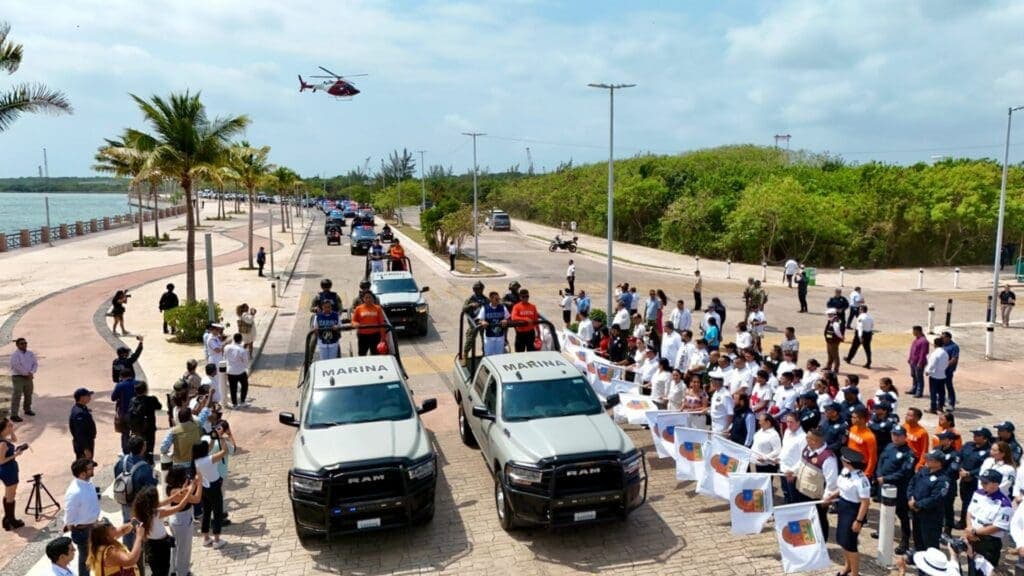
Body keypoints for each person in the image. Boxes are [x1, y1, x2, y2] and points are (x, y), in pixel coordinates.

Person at [823, 448, 871, 576]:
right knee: (841, 539)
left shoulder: (861, 480)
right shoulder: (845, 471)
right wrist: (831, 496)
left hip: (853, 511)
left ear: (848, 463)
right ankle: (847, 566)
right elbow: (842, 488)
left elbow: (865, 502)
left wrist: (859, 521)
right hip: (843, 507)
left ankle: (855, 573)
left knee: (850, 542)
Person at [132, 482, 195, 576]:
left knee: (157, 571)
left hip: (150, 545)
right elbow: (179, 507)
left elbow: (165, 502)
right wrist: (189, 492)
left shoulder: (141, 512)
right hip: (161, 547)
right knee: (164, 570)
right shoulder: (157, 513)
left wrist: (178, 494)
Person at [875, 425, 916, 553]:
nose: (895, 437)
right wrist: (879, 474)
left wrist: (886, 478)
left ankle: (905, 542)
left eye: (898, 435)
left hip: (899, 489)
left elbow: (904, 472)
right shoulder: (889, 446)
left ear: (905, 437)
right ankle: (884, 533)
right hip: (884, 486)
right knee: (885, 511)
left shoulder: (909, 454)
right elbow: (881, 461)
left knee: (902, 515)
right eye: (893, 434)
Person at [965, 469, 1014, 573]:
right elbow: (970, 512)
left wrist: (974, 532)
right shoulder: (978, 493)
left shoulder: (1004, 503)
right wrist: (969, 528)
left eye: (985, 482)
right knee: (972, 569)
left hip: (988, 543)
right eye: (981, 481)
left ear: (996, 484)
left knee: (984, 572)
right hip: (972, 537)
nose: (982, 484)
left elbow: (997, 526)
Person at [114, 436, 157, 551]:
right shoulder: (144, 467)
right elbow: (151, 487)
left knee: (127, 525)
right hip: (138, 505)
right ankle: (138, 553)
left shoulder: (120, 462)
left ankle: (127, 549)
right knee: (139, 528)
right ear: (142, 448)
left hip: (124, 500)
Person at [796, 427, 839, 539]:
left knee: (819, 520)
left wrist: (827, 497)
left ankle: (822, 544)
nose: (806, 440)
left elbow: (832, 481)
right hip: (802, 491)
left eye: (808, 438)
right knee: (805, 518)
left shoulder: (828, 458)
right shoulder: (807, 449)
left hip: (816, 497)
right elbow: (801, 465)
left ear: (815, 441)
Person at [63, 458, 102, 576]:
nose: (93, 470)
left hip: (93, 526)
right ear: (82, 473)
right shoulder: (74, 492)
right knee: (85, 560)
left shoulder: (88, 483)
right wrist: (74, 527)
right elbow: (69, 515)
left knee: (93, 556)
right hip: (83, 531)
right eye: (90, 469)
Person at [909, 450, 950, 553]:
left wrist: (917, 504)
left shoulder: (943, 479)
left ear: (939, 463)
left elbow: (936, 498)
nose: (927, 460)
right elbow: (912, 484)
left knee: (930, 543)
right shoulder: (923, 471)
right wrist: (910, 498)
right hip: (917, 512)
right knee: (918, 539)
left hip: (930, 516)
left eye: (930, 459)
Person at [165, 467, 203, 576]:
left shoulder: (171, 487)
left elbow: (187, 491)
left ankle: (173, 570)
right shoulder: (176, 491)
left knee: (176, 547)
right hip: (182, 521)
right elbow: (196, 499)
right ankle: (182, 573)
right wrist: (199, 483)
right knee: (184, 550)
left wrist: (193, 484)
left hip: (178, 519)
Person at [193, 439, 229, 549]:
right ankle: (217, 540)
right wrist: (222, 439)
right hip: (214, 487)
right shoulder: (210, 459)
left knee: (207, 512)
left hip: (204, 487)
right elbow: (224, 451)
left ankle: (206, 538)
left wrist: (213, 439)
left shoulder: (196, 461)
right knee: (217, 513)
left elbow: (208, 448)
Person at [958, 427, 993, 530]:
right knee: (964, 500)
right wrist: (961, 470)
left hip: (976, 481)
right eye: (974, 434)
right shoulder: (968, 445)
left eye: (978, 435)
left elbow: (985, 467)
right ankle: (963, 521)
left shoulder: (988, 451)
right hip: (964, 478)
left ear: (985, 439)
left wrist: (970, 473)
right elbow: (959, 456)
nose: (974, 436)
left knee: (972, 502)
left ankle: (967, 523)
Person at [1, 417, 27, 531]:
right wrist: (15, 455)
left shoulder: (3, 439)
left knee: (9, 494)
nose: (11, 427)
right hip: (8, 470)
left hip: (8, 469)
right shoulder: (3, 444)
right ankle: (11, 520)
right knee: (11, 495)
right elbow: (1, 461)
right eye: (8, 426)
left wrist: (11, 431)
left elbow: (14, 440)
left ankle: (7, 519)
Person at [127, 381, 162, 465]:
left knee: (139, 445)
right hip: (149, 427)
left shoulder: (132, 400)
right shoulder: (151, 399)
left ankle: (139, 462)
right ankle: (149, 462)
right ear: (146, 390)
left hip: (137, 428)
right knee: (149, 446)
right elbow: (159, 406)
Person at [779, 412, 808, 504]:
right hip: (783, 469)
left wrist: (793, 471)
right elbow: (784, 448)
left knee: (794, 498)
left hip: (793, 474)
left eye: (791, 422)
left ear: (798, 422)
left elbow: (803, 458)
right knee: (786, 494)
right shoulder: (787, 432)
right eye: (787, 422)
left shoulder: (803, 437)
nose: (788, 424)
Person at [9, 337, 37, 422]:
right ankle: (14, 415)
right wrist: (26, 374)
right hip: (18, 377)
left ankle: (27, 409)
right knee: (17, 396)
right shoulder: (15, 355)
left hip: (29, 377)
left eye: (25, 343)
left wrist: (31, 372)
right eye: (22, 343)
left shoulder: (30, 353)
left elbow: (35, 364)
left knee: (28, 394)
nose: (24, 345)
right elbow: (16, 366)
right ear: (17, 345)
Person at [351, 291, 387, 356]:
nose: (368, 299)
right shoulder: (358, 309)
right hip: (362, 336)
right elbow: (353, 321)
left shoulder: (378, 308)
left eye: (370, 297)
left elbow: (382, 323)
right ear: (363, 299)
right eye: (366, 297)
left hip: (375, 335)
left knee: (375, 354)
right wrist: (355, 324)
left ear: (373, 298)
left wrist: (382, 339)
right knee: (362, 354)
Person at [477, 291, 510, 357]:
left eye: (499, 299)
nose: (498, 300)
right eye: (496, 299)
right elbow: (479, 319)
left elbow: (509, 318)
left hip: (500, 336)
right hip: (489, 337)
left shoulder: (503, 307)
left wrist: (505, 320)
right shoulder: (485, 308)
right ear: (491, 299)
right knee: (488, 355)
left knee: (499, 355)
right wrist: (483, 322)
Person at [68, 388, 97, 460]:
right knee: (84, 466)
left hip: (87, 442)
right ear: (82, 398)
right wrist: (86, 449)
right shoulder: (79, 413)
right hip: (83, 445)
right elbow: (79, 433)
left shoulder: (82, 408)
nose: (90, 397)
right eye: (88, 395)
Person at [225, 332, 252, 407]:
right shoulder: (242, 350)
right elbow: (246, 362)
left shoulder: (227, 347)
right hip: (240, 371)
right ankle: (242, 401)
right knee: (245, 386)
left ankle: (234, 404)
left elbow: (225, 357)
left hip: (230, 371)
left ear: (234, 339)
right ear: (241, 340)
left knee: (232, 388)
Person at [925, 337, 949, 414]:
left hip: (935, 375)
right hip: (942, 375)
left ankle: (933, 408)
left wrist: (927, 371)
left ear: (935, 344)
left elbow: (932, 364)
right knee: (942, 392)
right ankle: (940, 407)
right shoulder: (945, 353)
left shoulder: (935, 353)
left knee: (933, 393)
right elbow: (946, 363)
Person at [941, 331, 960, 412]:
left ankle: (951, 403)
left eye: (943, 337)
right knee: (940, 386)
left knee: (949, 386)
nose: (941, 339)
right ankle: (941, 402)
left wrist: (945, 366)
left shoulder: (954, 347)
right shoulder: (942, 345)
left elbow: (954, 359)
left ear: (948, 338)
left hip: (948, 370)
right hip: (940, 370)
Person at [907, 325, 928, 398]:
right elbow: (912, 350)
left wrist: (920, 362)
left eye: (914, 331)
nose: (913, 333)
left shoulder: (924, 341)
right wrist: (910, 358)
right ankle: (914, 388)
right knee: (913, 375)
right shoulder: (916, 340)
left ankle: (919, 391)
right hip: (913, 361)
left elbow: (923, 353)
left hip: (918, 362)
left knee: (919, 377)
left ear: (918, 331)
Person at [823, 308, 844, 373]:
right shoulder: (831, 320)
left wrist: (841, 337)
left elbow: (837, 331)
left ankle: (836, 368)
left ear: (832, 314)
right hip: (829, 340)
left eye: (829, 314)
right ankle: (828, 366)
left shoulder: (835, 321)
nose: (828, 316)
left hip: (833, 341)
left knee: (835, 355)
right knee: (830, 353)